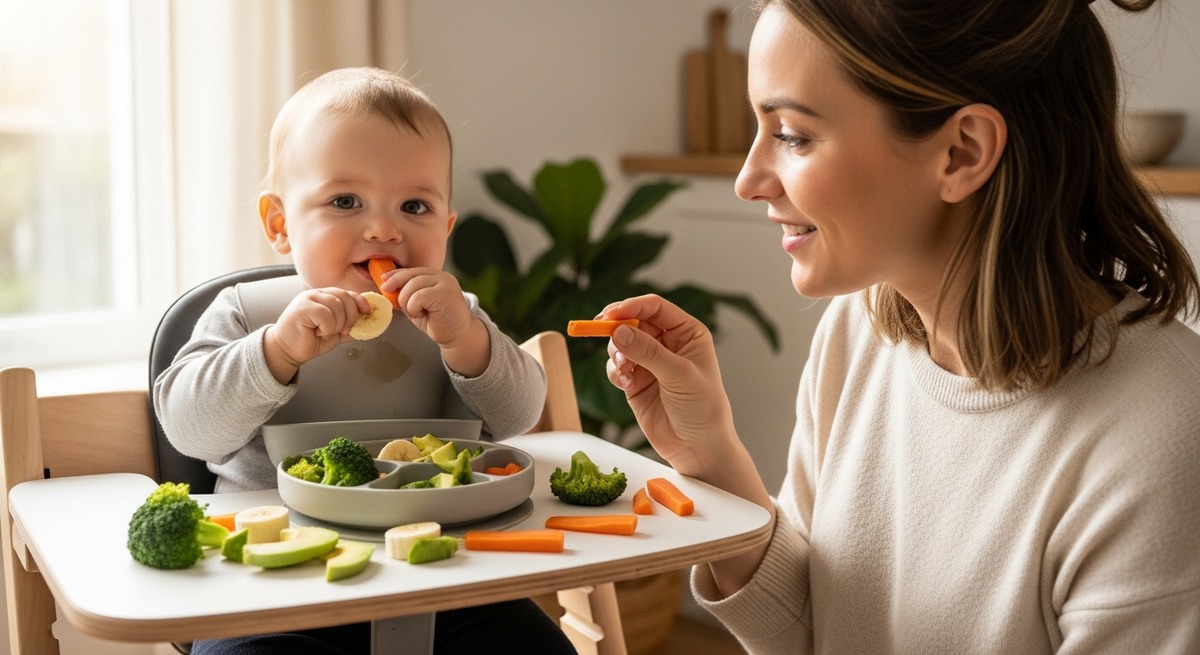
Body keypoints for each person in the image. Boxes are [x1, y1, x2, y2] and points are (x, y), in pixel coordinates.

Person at [598, 1, 1200, 653]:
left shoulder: (1160, 439)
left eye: (793, 136)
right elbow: (815, 630)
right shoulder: (857, 335)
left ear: (962, 152)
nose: (748, 180)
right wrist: (709, 454)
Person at [154, 67, 573, 655]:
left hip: (445, 573)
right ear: (280, 224)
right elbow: (187, 428)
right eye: (345, 201)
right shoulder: (248, 315)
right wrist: (275, 353)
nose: (383, 229)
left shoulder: (455, 318)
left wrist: (467, 342)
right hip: (272, 581)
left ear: (447, 226)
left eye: (415, 206)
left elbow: (519, 416)